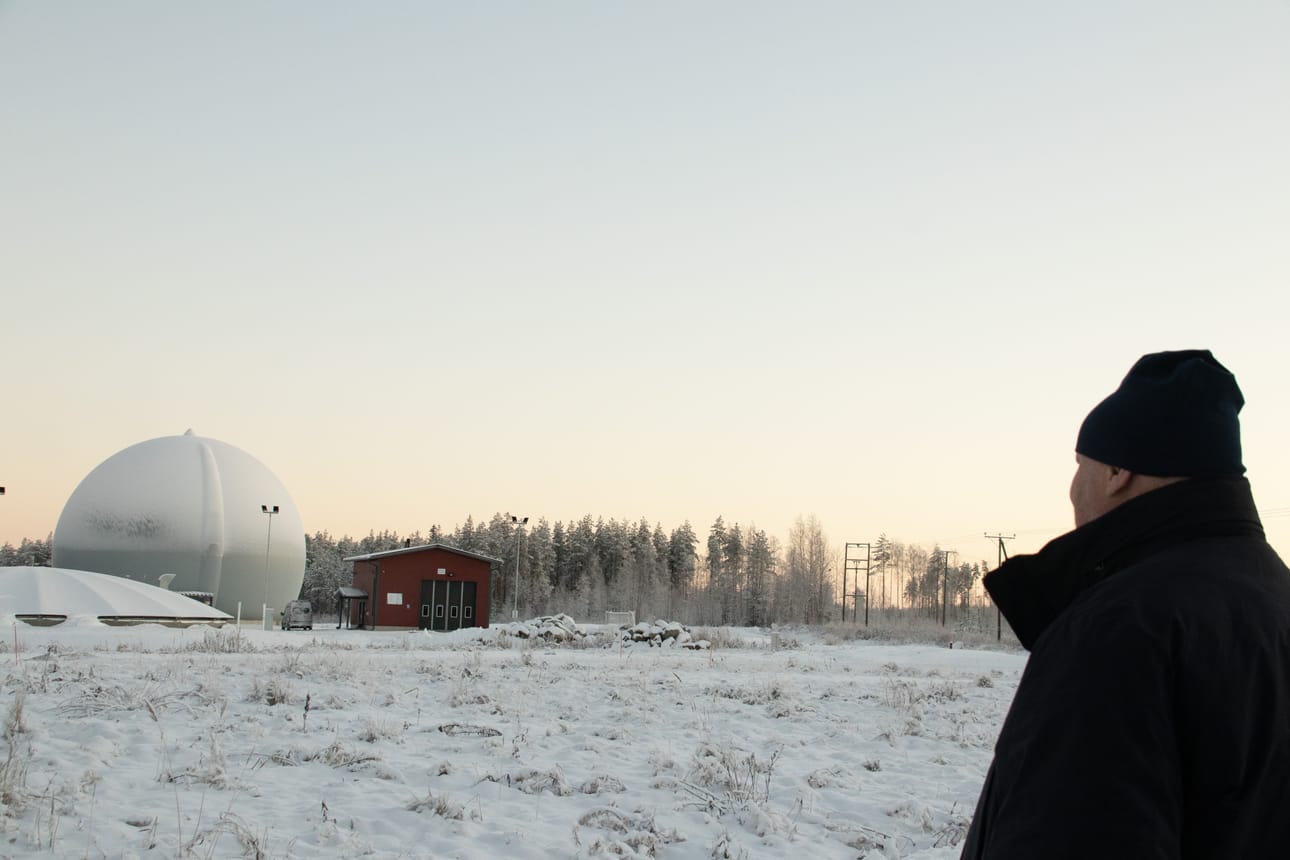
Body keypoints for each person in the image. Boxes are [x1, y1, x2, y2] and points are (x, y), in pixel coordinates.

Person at [960, 350, 1290, 859]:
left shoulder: (1118, 628)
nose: (1073, 489)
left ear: (1117, 471)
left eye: (1080, 466)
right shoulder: (1275, 596)